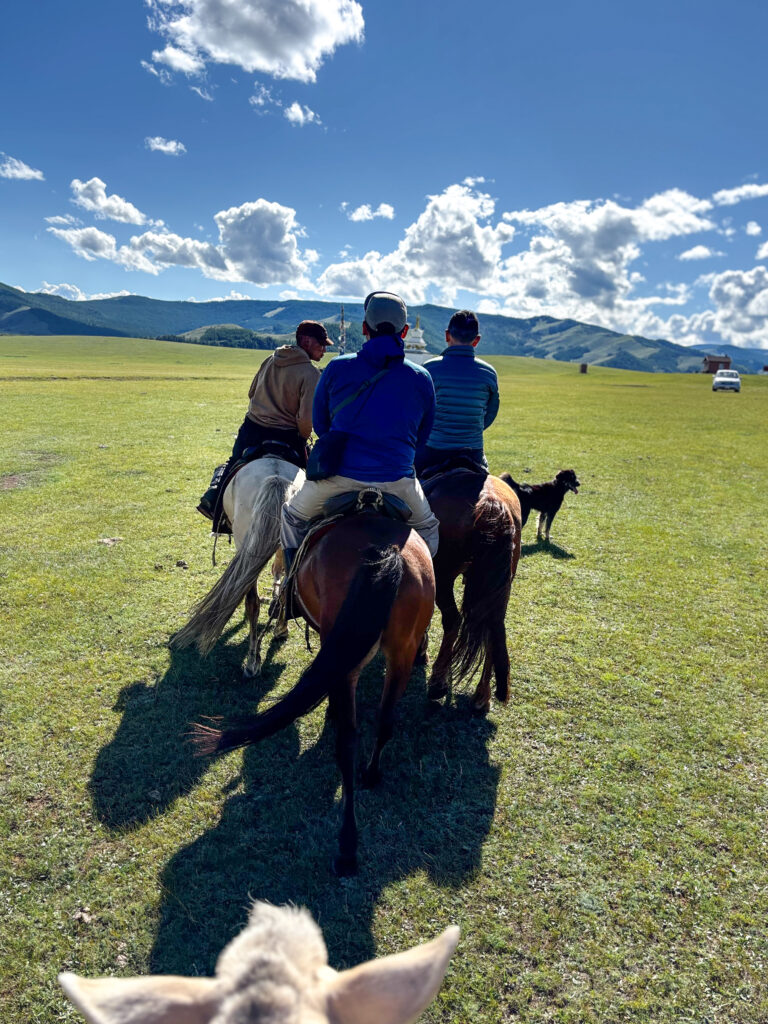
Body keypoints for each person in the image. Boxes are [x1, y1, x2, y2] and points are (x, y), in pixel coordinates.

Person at [280, 291, 439, 570]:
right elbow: (423, 437)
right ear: (404, 331)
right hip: (398, 481)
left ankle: (290, 591)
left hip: (339, 477)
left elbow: (321, 425)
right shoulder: (422, 377)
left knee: (292, 517)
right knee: (428, 528)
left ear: (365, 328)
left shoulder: (337, 367)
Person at [197, 320, 330, 520]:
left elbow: (251, 392)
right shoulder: (310, 373)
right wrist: (305, 435)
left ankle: (213, 503)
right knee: (312, 476)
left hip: (253, 429)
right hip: (288, 436)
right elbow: (304, 421)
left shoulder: (270, 359)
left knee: (234, 462)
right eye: (321, 344)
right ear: (306, 341)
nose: (324, 350)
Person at [414, 309, 499, 476]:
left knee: (410, 490)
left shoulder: (430, 369)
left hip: (433, 451)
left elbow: (418, 413)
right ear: (477, 340)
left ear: (447, 335)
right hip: (473, 452)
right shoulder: (488, 373)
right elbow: (490, 414)